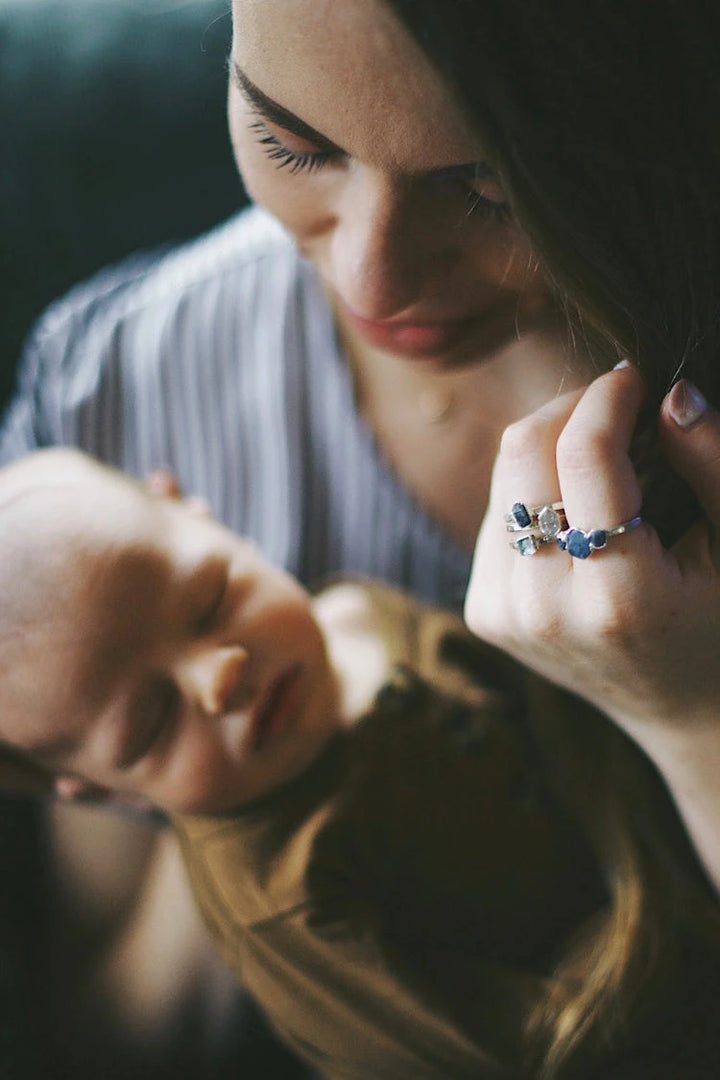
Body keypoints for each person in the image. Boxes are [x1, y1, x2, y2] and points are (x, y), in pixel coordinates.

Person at [3, 0, 720, 1074]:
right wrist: (244, 832)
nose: (369, 284)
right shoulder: (114, 391)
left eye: (488, 188)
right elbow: (116, 1019)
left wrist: (694, 716)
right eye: (289, 139)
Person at [0, 447, 718, 1080]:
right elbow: (512, 1056)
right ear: (100, 790)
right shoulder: (289, 903)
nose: (222, 675)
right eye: (153, 722)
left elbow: (536, 696)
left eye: (210, 600)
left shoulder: (351, 612)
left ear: (199, 511)